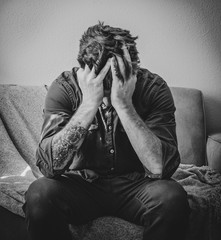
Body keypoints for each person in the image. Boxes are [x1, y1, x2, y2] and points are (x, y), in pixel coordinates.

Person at [23, 22, 190, 240]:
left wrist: (123, 104)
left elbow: (160, 168)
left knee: (172, 198)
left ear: (134, 67)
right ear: (85, 69)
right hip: (81, 185)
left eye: (117, 79)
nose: (109, 91)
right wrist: (89, 103)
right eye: (104, 81)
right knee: (39, 194)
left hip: (138, 185)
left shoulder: (154, 88)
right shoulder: (65, 87)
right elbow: (49, 166)